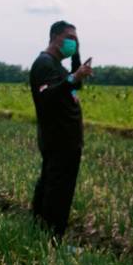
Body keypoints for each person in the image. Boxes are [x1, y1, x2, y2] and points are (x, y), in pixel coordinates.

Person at [30, 20, 93, 242]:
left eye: (76, 39)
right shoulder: (44, 64)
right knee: (59, 192)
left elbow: (74, 85)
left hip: (65, 139)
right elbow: (47, 96)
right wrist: (72, 78)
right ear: (55, 37)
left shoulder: (58, 65)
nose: (73, 42)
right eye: (70, 38)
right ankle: (52, 240)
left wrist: (77, 61)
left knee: (51, 186)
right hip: (58, 139)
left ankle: (39, 233)